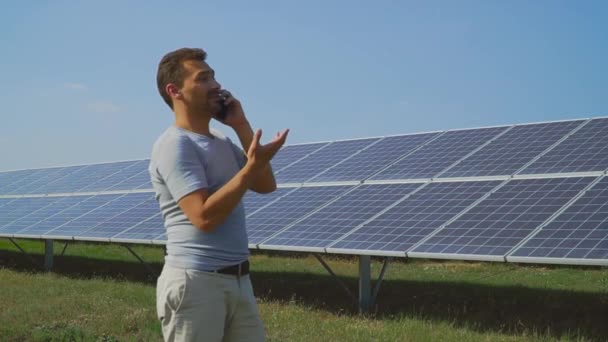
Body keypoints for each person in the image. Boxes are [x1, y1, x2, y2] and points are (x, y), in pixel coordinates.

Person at [149, 47, 288, 341]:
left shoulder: (222, 140)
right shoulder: (175, 144)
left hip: (238, 280)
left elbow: (265, 185)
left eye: (213, 77)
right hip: (196, 282)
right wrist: (249, 169)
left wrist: (241, 125)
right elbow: (203, 217)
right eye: (202, 79)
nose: (215, 85)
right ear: (175, 91)